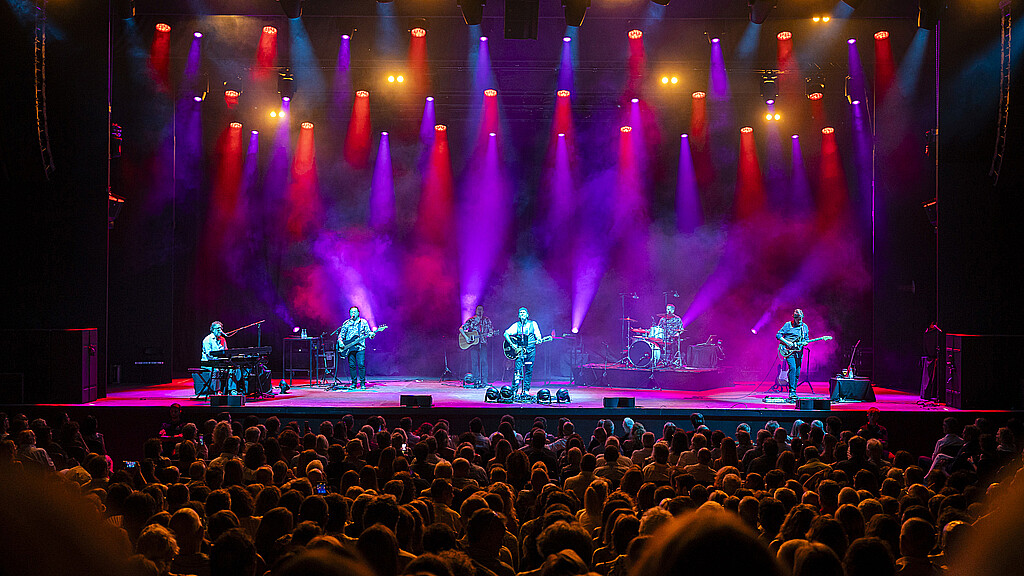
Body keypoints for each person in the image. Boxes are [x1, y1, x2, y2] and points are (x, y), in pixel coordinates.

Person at [504, 307, 542, 393]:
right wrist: (512, 344)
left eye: (524, 312)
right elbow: (506, 333)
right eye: (520, 312)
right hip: (519, 351)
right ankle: (514, 390)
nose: (522, 314)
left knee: (529, 369)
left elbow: (538, 334)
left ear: (527, 315)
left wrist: (539, 339)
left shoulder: (533, 324)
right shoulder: (516, 325)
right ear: (518, 315)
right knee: (517, 370)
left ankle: (526, 390)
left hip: (530, 350)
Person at [338, 307, 376, 389]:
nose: (353, 313)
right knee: (352, 365)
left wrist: (371, 335)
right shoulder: (346, 323)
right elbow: (341, 334)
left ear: (358, 313)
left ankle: (362, 383)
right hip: (349, 348)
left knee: (361, 365)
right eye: (351, 312)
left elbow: (368, 332)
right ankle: (353, 383)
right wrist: (340, 342)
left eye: (355, 312)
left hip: (360, 347)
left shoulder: (363, 322)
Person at [776, 309, 809, 400]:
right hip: (788, 351)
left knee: (797, 371)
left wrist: (805, 342)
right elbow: (778, 335)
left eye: (801, 318)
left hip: (799, 352)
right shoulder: (788, 325)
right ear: (794, 318)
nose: (800, 320)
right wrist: (787, 342)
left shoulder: (804, 327)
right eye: (798, 318)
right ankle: (792, 391)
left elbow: (806, 338)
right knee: (793, 368)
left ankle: (794, 391)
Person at [459, 304, 495, 386]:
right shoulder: (471, 320)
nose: (479, 311)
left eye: (481, 309)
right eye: (478, 309)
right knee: (474, 362)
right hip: (473, 344)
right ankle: (476, 380)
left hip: (483, 343)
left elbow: (491, 332)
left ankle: (484, 381)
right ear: (476, 311)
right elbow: (461, 328)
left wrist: (490, 334)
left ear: (483, 311)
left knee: (484, 362)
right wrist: (467, 338)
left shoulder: (486, 320)